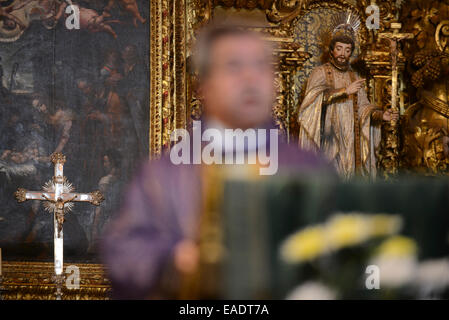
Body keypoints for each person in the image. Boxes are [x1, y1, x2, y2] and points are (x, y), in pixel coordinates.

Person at [101, 22, 333, 299]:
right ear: (205, 85)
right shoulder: (165, 172)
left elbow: (343, 253)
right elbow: (124, 250)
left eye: (261, 66)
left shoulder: (309, 167)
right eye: (234, 66)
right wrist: (174, 260)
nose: (250, 78)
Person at [297, 19, 399, 180]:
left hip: (351, 139)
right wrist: (345, 91)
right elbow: (311, 102)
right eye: (339, 49)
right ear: (331, 50)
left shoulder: (354, 76)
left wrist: (381, 116)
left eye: (347, 50)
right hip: (328, 137)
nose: (343, 54)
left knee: (348, 178)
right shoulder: (320, 72)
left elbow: (364, 107)